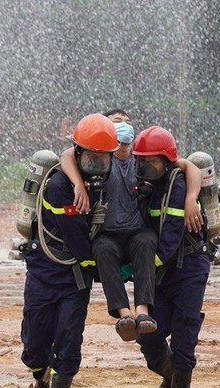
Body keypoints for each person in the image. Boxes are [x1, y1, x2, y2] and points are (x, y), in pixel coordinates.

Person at [60, 110, 202, 342]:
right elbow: (67, 155)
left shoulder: (142, 159)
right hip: (107, 233)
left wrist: (191, 197)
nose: (124, 127)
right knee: (102, 249)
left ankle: (143, 311)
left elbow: (189, 166)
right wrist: (77, 184)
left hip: (137, 230)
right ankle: (123, 314)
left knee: (146, 242)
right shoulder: (100, 159)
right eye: (117, 123)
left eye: (128, 123)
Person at [21, 113, 117, 388]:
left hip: (76, 279)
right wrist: (102, 267)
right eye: (90, 158)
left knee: (69, 341)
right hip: (46, 270)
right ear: (77, 154)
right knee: (35, 344)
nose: (97, 164)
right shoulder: (59, 187)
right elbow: (75, 234)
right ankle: (40, 377)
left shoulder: (110, 180)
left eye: (103, 158)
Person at [132, 126, 211, 388]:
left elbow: (168, 242)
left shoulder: (177, 184)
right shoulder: (145, 188)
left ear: (166, 161)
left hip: (188, 268)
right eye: (141, 162)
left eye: (150, 162)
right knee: (148, 334)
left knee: (184, 337)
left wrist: (138, 268)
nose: (143, 168)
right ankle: (170, 375)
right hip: (160, 274)